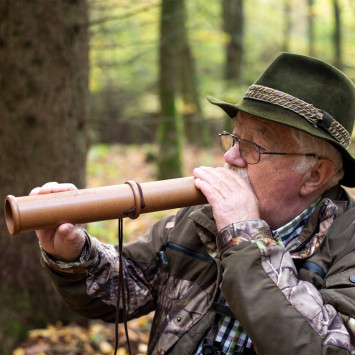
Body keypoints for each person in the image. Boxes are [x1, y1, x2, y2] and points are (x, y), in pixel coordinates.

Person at [31, 53, 355, 354]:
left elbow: (327, 347)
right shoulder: (202, 217)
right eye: (234, 138)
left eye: (253, 147)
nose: (230, 157)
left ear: (314, 175)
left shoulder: (347, 245)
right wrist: (74, 253)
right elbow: (129, 286)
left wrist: (245, 238)